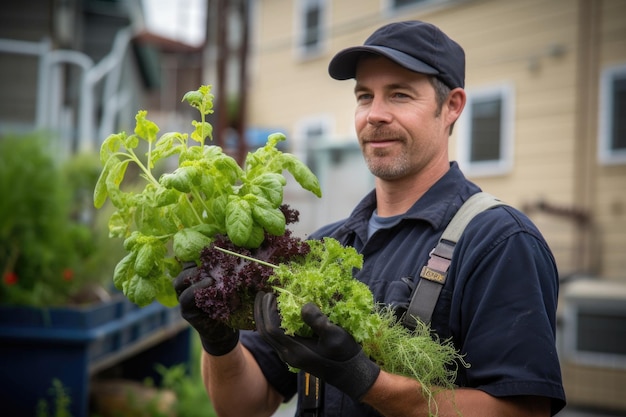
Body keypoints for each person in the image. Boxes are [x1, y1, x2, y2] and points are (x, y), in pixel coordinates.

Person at [175, 20, 566, 417]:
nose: (374, 115)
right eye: (365, 96)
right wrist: (219, 342)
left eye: (399, 95)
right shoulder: (326, 248)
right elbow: (244, 406)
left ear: (451, 106)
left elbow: (522, 411)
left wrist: (366, 380)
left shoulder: (499, 242)